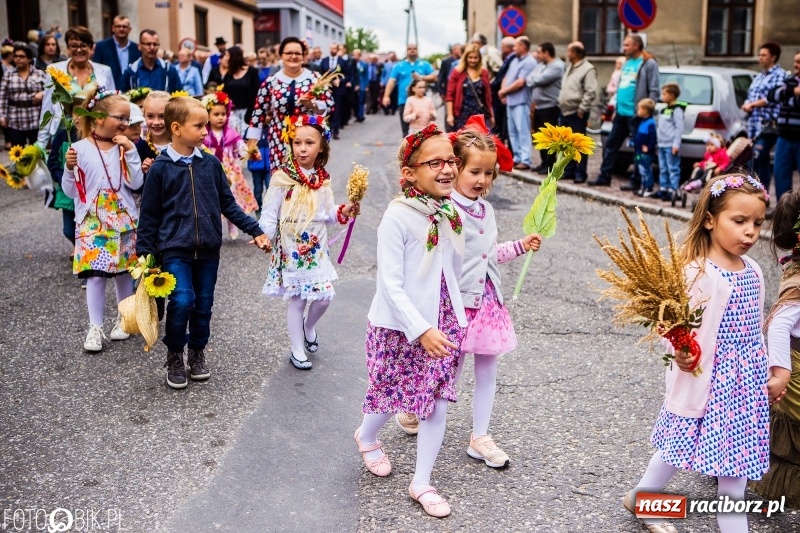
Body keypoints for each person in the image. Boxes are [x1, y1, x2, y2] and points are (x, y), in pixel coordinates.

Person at [623, 172, 770, 533]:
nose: (750, 232)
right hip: (706, 382)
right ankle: (643, 498)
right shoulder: (697, 272)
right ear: (709, 220)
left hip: (743, 388)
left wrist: (765, 370)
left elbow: (756, 330)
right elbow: (671, 323)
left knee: (733, 474)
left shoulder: (753, 270)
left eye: (757, 223)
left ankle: (642, 498)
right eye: (739, 221)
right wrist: (679, 351)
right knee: (679, 446)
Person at [395, 117, 540, 467]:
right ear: (455, 167)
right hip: (453, 304)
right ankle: (419, 406)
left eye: (489, 173)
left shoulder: (486, 210)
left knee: (487, 369)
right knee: (449, 370)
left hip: (486, 303)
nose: (482, 180)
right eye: (475, 171)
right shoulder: (443, 208)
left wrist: (520, 246)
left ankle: (480, 436)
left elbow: (489, 254)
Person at [354, 124, 465, 518]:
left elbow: (452, 269)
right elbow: (390, 284)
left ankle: (422, 482)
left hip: (443, 319)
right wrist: (421, 330)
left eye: (451, 160)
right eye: (435, 162)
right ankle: (367, 436)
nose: (447, 168)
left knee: (435, 399)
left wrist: (461, 311)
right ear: (410, 172)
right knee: (392, 394)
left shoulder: (449, 211)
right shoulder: (397, 218)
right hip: (400, 324)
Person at [136, 96, 271, 389]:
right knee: (182, 300)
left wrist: (255, 230)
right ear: (176, 128)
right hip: (174, 249)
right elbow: (149, 215)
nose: (205, 131)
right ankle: (175, 353)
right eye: (198, 126)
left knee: (203, 306)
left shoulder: (210, 164)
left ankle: (197, 352)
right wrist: (145, 255)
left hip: (209, 250)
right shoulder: (160, 168)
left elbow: (228, 204)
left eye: (206, 125)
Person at [258, 115, 357, 370]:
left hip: (316, 246)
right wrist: (263, 235)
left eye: (309, 143)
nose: (302, 148)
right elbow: (269, 212)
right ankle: (297, 349)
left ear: (321, 146)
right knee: (298, 299)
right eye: (297, 143)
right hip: (291, 246)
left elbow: (327, 212)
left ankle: (308, 326)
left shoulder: (323, 179)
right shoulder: (282, 177)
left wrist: (343, 211)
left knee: (324, 298)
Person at [62, 88, 143, 352]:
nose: (125, 123)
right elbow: (71, 192)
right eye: (120, 117)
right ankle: (95, 327)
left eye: (128, 119)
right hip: (92, 219)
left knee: (123, 272)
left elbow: (136, 183)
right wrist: (69, 168)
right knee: (95, 274)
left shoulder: (125, 147)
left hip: (123, 217)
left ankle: (124, 319)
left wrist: (131, 152)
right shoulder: (79, 149)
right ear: (98, 118)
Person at [750, 190, 800, 508]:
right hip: (795, 368)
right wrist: (781, 372)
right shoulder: (798, 282)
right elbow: (780, 324)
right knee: (789, 434)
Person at [246, 37, 332, 170]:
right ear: (281, 55)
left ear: (303, 56)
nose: (293, 56)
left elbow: (329, 105)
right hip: (279, 140)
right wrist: (252, 142)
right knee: (282, 178)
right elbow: (258, 112)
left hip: (307, 141)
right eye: (289, 53)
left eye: (297, 53)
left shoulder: (315, 79)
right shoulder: (271, 82)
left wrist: (312, 105)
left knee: (306, 178)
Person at [590, 34, 659, 189]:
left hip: (636, 115)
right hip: (621, 113)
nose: (624, 48)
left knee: (638, 149)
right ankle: (604, 176)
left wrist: (647, 110)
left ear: (636, 46)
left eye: (627, 45)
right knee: (610, 146)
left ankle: (636, 180)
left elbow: (654, 90)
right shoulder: (627, 62)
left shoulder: (648, 63)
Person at [37, 26, 115, 149]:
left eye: (83, 45)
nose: (79, 50)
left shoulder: (104, 71)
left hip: (95, 136)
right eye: (74, 46)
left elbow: (111, 106)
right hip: (64, 135)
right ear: (67, 48)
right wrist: (40, 145)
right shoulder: (54, 70)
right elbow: (47, 107)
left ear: (91, 48)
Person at [201, 90, 258, 239]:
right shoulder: (204, 134)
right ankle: (214, 227)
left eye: (223, 114)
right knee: (212, 198)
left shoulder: (230, 133)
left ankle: (232, 224)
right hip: (212, 170)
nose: (221, 117)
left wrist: (248, 151)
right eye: (216, 114)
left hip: (230, 171)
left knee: (230, 198)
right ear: (207, 115)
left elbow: (240, 146)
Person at [742, 42, 786, 199]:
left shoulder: (780, 75)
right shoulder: (760, 76)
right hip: (754, 126)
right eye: (759, 55)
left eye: (763, 55)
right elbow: (751, 95)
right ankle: (761, 196)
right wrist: (747, 104)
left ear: (773, 57)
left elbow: (773, 98)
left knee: (758, 159)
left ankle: (760, 196)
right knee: (761, 161)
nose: (759, 58)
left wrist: (753, 104)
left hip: (769, 126)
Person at [558, 41, 597, 183]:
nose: (567, 54)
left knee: (579, 144)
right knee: (567, 143)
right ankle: (569, 170)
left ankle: (581, 172)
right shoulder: (570, 67)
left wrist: (582, 109)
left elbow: (590, 91)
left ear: (575, 53)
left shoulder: (588, 69)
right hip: (565, 111)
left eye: (569, 51)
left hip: (577, 112)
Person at [766, 51, 800, 203]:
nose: (795, 65)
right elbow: (771, 95)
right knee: (781, 175)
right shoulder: (790, 81)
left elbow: (794, 103)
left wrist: (787, 95)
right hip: (784, 137)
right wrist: (793, 92)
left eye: (799, 62)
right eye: (795, 61)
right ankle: (783, 210)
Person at [498, 36, 536, 170]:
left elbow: (520, 82)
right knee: (513, 132)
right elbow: (506, 77)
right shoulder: (515, 60)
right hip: (511, 100)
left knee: (523, 131)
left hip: (521, 101)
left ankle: (526, 159)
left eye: (516, 46)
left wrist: (504, 92)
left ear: (523, 47)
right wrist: (503, 92)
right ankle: (517, 157)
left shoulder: (530, 62)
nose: (514, 49)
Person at [381, 44, 435, 137]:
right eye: (409, 49)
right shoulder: (399, 65)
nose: (412, 50)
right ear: (406, 51)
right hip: (404, 100)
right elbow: (392, 80)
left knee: (423, 129)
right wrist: (386, 96)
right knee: (406, 131)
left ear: (417, 50)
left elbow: (434, 77)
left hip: (421, 100)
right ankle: (407, 145)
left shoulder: (424, 64)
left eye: (414, 48)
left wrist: (421, 77)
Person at [526, 42, 564, 174]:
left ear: (546, 53)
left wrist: (534, 79)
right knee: (540, 137)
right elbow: (529, 78)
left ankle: (550, 164)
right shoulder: (541, 65)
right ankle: (543, 162)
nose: (537, 55)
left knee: (549, 138)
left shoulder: (557, 66)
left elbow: (539, 80)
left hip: (550, 107)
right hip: (538, 107)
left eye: (539, 52)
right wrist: (533, 79)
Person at [0, 42, 47, 147]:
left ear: (29, 58)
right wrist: (2, 115)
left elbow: (50, 91)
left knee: (36, 151)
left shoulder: (39, 74)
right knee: (18, 152)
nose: (18, 59)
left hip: (35, 118)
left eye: (21, 56)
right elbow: (3, 97)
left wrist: (42, 94)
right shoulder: (8, 75)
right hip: (15, 120)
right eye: (16, 56)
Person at [446, 43, 493, 132]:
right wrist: (450, 115)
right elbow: (450, 95)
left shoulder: (483, 72)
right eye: (470, 57)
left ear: (479, 58)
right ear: (465, 58)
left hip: (479, 112)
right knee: (463, 138)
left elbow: (488, 95)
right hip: (462, 112)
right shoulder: (457, 71)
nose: (473, 60)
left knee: (481, 138)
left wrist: (491, 115)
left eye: (475, 57)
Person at [91, 15, 141, 89]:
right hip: (109, 89)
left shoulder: (137, 48)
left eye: (124, 27)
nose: (121, 29)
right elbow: (96, 69)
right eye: (118, 26)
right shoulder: (101, 47)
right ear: (113, 28)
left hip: (132, 90)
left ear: (129, 29)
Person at [655, 82, 686, 201]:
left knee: (672, 168)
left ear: (672, 95)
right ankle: (664, 188)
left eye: (664, 94)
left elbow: (679, 128)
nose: (662, 96)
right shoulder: (664, 109)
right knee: (663, 168)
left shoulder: (677, 109)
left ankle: (673, 190)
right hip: (661, 144)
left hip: (670, 145)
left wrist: (676, 144)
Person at [220, 45, 261, 134]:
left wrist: (249, 115)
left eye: (227, 55)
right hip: (233, 114)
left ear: (234, 57)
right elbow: (225, 94)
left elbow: (256, 94)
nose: (225, 58)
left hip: (248, 113)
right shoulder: (228, 75)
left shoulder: (252, 72)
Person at [319, 42, 353, 139]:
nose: (332, 50)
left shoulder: (342, 61)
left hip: (339, 89)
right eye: (331, 48)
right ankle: (327, 130)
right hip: (326, 89)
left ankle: (336, 130)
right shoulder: (324, 61)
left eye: (334, 48)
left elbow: (348, 75)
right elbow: (320, 75)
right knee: (327, 110)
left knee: (337, 110)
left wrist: (340, 80)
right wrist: (325, 85)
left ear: (337, 49)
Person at [135, 91, 171, 177]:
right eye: (150, 116)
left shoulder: (182, 146)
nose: (156, 122)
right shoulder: (139, 149)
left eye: (162, 116)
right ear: (144, 116)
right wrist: (146, 172)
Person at [490, 37, 516, 143]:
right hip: (499, 95)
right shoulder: (507, 59)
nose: (501, 48)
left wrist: (492, 85)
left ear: (508, 47)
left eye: (502, 46)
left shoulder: (513, 59)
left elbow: (504, 77)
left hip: (502, 96)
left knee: (501, 125)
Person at [631, 98, 656, 197]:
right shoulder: (642, 121)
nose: (637, 111)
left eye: (639, 109)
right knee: (641, 170)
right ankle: (643, 187)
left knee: (646, 170)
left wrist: (649, 148)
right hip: (639, 152)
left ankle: (649, 187)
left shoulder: (651, 123)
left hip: (646, 153)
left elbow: (653, 138)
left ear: (645, 110)